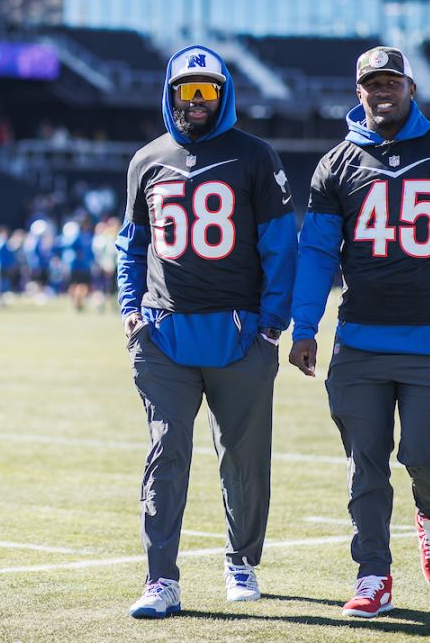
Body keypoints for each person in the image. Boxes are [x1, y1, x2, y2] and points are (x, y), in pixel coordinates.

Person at [287, 47, 430, 619]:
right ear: (359, 92)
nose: (382, 90)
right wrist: (305, 325)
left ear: (410, 87)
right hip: (359, 343)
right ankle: (373, 576)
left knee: (425, 457)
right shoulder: (337, 164)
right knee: (365, 465)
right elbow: (316, 251)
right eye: (372, 83)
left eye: (392, 81)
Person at [117, 45, 298, 618]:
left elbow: (279, 246)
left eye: (207, 91)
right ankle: (159, 579)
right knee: (166, 452)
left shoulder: (254, 155)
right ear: (170, 93)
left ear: (224, 94)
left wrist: (272, 326)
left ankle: (240, 560)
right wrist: (130, 310)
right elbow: (132, 245)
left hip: (240, 334)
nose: (196, 102)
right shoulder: (147, 160)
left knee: (243, 458)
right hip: (164, 335)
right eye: (186, 91)